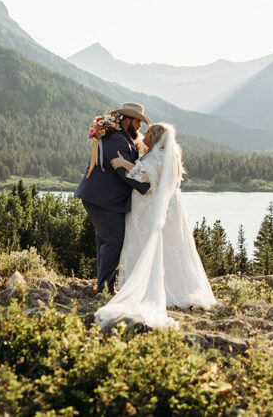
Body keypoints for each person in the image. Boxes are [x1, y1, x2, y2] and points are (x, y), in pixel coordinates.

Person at [95, 122, 216, 330]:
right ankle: (170, 286)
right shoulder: (165, 154)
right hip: (163, 209)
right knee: (169, 247)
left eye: (149, 132)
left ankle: (155, 289)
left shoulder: (158, 156)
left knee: (149, 244)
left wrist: (123, 163)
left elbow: (144, 175)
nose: (144, 135)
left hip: (150, 211)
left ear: (157, 136)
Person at [74, 103, 152, 294]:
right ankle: (103, 287)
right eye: (137, 122)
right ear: (126, 121)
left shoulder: (123, 138)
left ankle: (105, 286)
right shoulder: (116, 140)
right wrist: (149, 188)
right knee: (114, 240)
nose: (140, 127)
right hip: (101, 198)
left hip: (106, 199)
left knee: (105, 241)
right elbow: (123, 173)